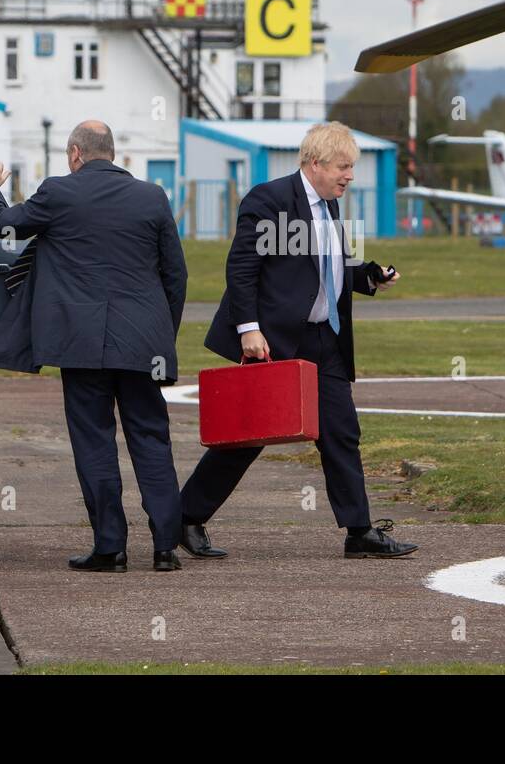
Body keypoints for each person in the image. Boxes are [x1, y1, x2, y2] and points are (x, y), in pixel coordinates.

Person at [178, 122, 418, 560]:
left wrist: (367, 275)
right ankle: (186, 517)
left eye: (352, 168)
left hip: (324, 339)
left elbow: (325, 267)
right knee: (248, 438)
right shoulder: (269, 199)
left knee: (341, 433)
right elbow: (242, 269)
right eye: (343, 167)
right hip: (273, 341)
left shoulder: (330, 206)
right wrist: (247, 328)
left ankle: (358, 531)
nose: (350, 176)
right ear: (315, 164)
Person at [0, 121, 188, 573]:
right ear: (113, 153)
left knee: (95, 443)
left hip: (82, 343)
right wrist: (161, 333)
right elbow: (176, 275)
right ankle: (166, 546)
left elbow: (3, 225)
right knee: (151, 438)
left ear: (75, 153)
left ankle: (111, 547)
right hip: (144, 343)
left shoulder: (58, 192)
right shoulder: (152, 197)